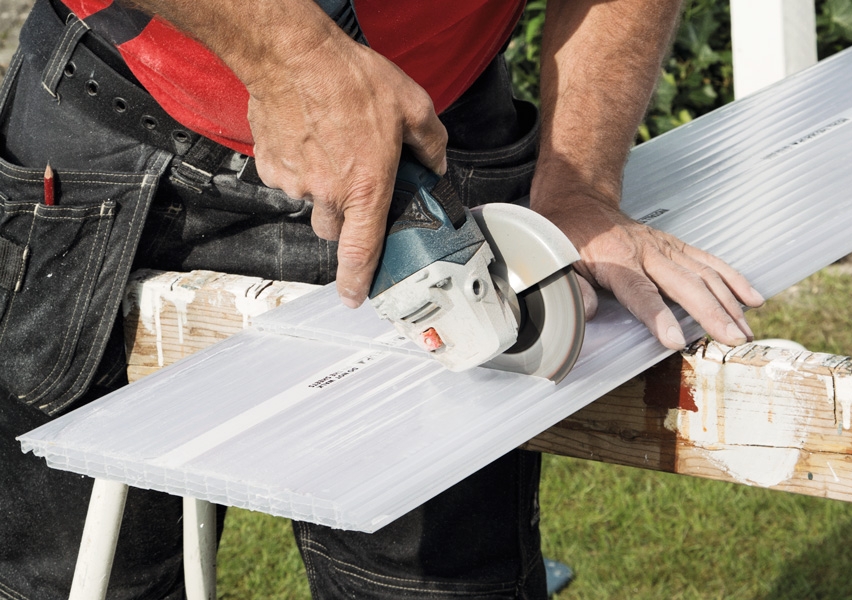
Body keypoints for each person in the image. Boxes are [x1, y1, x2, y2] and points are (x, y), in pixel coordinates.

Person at [0, 0, 764, 598]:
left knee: (433, 586)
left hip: (432, 127)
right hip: (114, 122)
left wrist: (582, 185)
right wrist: (292, 53)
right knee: (69, 579)